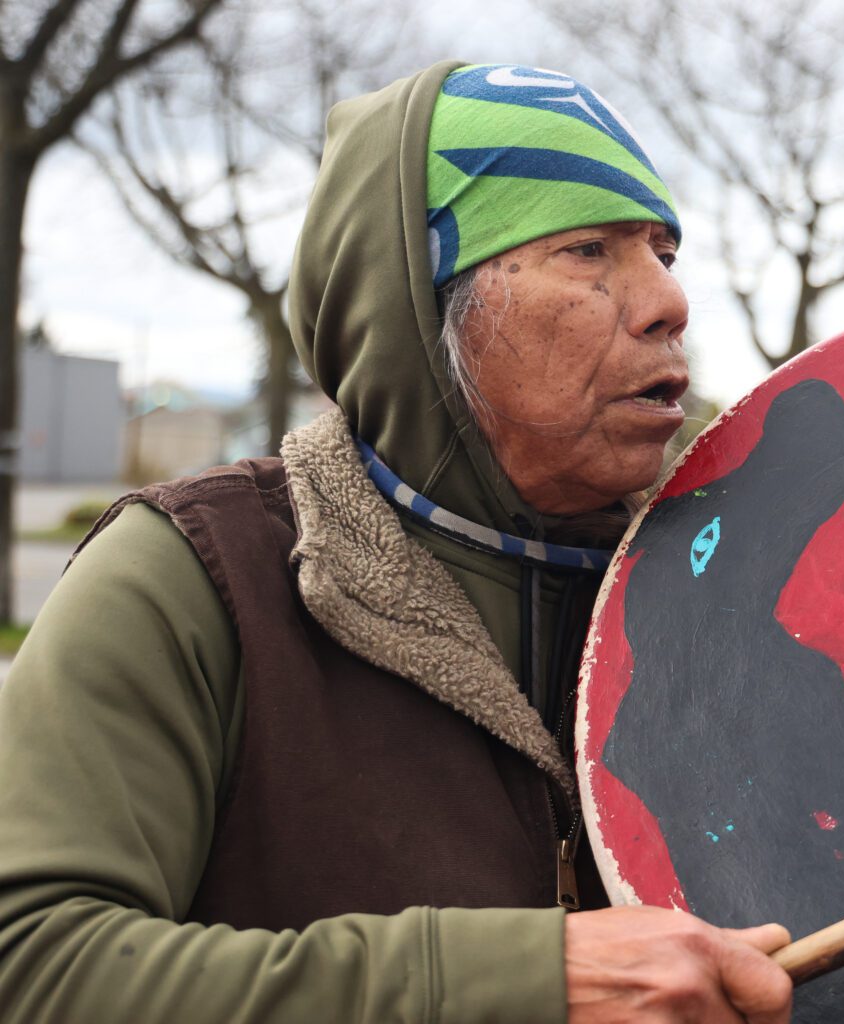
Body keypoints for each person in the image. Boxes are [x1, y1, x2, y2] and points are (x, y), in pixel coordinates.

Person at [0, 61, 793, 1023]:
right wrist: (514, 984)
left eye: (663, 251)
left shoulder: (744, 578)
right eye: (587, 250)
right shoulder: (194, 578)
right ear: (416, 309)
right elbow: (33, 963)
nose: (668, 301)